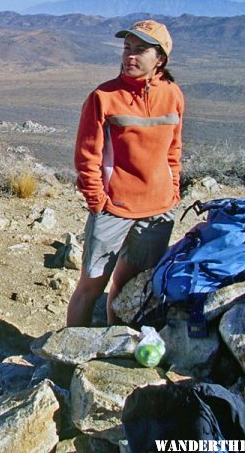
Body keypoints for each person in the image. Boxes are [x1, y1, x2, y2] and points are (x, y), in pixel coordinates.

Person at [66, 19, 184, 327]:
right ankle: (65, 362)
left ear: (160, 58)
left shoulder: (173, 95)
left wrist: (173, 191)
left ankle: (116, 344)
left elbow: (173, 149)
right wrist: (97, 201)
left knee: (128, 287)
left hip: (157, 211)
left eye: (140, 50)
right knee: (90, 288)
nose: (130, 56)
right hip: (113, 210)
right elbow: (87, 155)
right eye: (127, 48)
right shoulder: (103, 97)